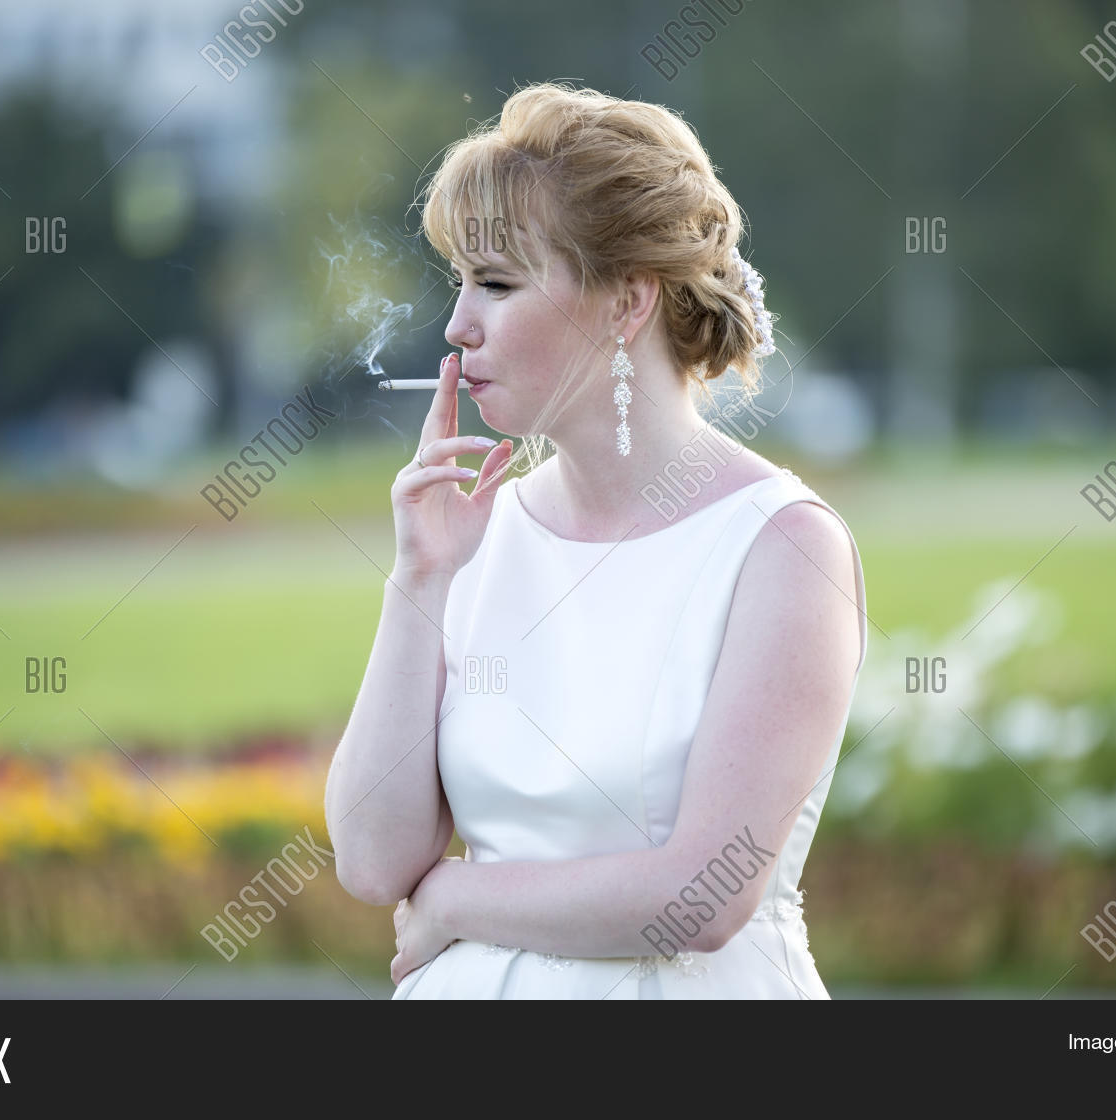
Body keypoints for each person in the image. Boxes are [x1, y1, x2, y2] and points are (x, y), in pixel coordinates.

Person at [323, 81, 867, 998]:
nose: (457, 326)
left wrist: (456, 898)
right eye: (460, 283)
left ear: (626, 303)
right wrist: (419, 576)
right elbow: (373, 864)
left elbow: (703, 895)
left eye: (497, 284)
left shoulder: (783, 549)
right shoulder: (474, 538)